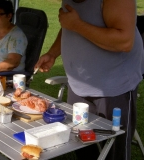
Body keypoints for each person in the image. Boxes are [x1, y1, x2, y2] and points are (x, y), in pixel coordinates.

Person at [35, 0, 144, 160]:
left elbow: (124, 41)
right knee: (81, 142)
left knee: (112, 149)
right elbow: (68, 26)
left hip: (113, 86)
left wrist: (77, 24)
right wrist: (52, 53)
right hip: (78, 84)